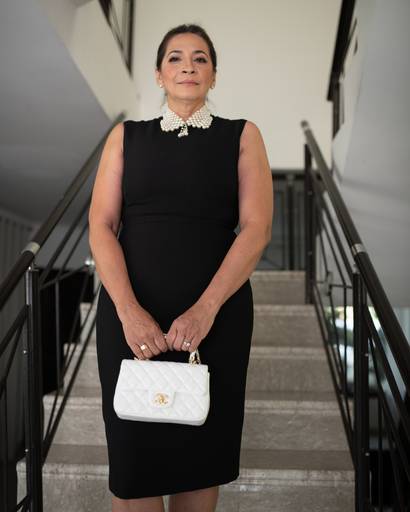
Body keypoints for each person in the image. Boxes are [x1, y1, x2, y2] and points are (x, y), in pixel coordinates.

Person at [88, 22, 273, 512]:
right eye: (175, 57)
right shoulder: (125, 137)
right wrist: (128, 312)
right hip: (130, 318)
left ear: (213, 75)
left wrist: (205, 310)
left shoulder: (243, 136)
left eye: (200, 58)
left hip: (218, 318)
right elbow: (100, 226)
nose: (187, 66)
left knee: (200, 463)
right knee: (134, 470)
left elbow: (256, 229)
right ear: (158, 74)